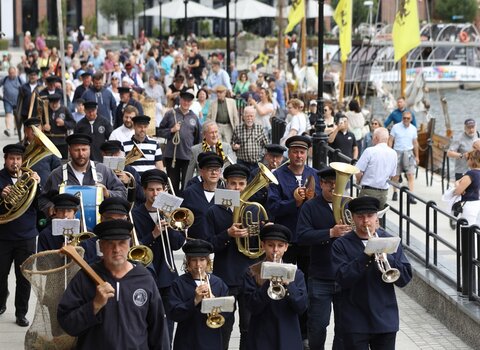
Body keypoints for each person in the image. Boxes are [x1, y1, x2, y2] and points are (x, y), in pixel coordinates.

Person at [57, 220, 171, 350]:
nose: (116, 249)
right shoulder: (84, 278)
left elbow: (159, 331)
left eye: (122, 243)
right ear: (100, 246)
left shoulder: (144, 279)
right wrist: (94, 305)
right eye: (110, 243)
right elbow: (67, 324)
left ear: (130, 244)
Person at [331, 196, 412, 349]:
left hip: (385, 318)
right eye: (360, 217)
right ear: (353, 219)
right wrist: (366, 255)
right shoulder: (341, 244)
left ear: (377, 218)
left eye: (370, 216)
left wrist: (388, 258)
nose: (366, 221)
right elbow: (342, 278)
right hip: (355, 320)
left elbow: (405, 278)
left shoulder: (390, 241)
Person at [204, 164, 260, 350]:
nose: (237, 188)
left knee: (249, 326)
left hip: (249, 274)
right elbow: (208, 244)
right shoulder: (213, 211)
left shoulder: (254, 210)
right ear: (225, 185)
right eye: (233, 184)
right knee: (223, 326)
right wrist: (227, 234)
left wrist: (263, 229)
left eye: (241, 184)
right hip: (225, 275)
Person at [297, 166, 351, 349]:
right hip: (320, 275)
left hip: (345, 275)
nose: (335, 188)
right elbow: (302, 236)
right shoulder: (310, 206)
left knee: (344, 327)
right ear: (321, 184)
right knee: (318, 326)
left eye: (338, 184)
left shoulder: (349, 205)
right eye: (330, 184)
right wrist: (330, 232)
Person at [131, 169, 186, 340]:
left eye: (159, 190)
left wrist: (169, 228)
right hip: (144, 274)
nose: (155, 194)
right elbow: (134, 248)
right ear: (144, 191)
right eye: (151, 190)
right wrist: (153, 234)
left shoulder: (171, 212)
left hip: (167, 276)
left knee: (167, 322)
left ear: (164, 190)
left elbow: (178, 244)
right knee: (144, 320)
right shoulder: (135, 214)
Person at [243, 224, 308, 350]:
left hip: (288, 334)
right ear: (263, 246)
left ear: (286, 247)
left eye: (280, 245)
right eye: (271, 245)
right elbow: (252, 306)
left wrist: (289, 284)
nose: (275, 250)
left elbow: (301, 307)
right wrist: (268, 281)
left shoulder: (296, 273)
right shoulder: (252, 272)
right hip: (261, 335)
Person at [0, 144, 41, 327]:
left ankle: (21, 312)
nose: (15, 162)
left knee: (24, 277)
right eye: (11, 159)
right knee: (0, 275)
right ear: (5, 160)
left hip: (26, 235)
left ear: (22, 161)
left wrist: (37, 186)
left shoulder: (30, 178)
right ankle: (1, 302)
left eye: (18, 159)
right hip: (3, 235)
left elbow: (38, 205)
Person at [39, 133, 127, 216]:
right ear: (69, 151)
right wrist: (50, 208)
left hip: (99, 226)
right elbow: (43, 199)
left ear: (90, 149)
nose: (81, 154)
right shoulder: (57, 174)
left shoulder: (103, 170)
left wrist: (108, 194)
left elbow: (123, 194)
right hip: (66, 226)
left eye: (84, 149)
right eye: (76, 150)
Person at [267, 135, 320, 263]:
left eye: (302, 152)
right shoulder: (277, 175)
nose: (299, 155)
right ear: (289, 154)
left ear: (307, 154)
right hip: (286, 237)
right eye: (295, 152)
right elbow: (273, 207)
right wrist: (294, 202)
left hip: (309, 235)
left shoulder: (316, 174)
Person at [168, 239, 229, 350]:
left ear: (208, 261)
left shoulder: (218, 283)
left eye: (202, 260)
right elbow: (174, 314)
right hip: (187, 341)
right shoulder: (178, 283)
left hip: (212, 341)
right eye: (194, 260)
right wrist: (195, 300)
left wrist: (216, 304)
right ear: (188, 262)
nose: (198, 264)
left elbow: (227, 314)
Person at [157, 90, 201, 195]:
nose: (186, 103)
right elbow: (159, 131)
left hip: (188, 157)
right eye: (184, 100)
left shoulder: (194, 117)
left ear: (191, 102)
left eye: (189, 101)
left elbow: (198, 138)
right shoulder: (170, 114)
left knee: (186, 184)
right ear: (180, 100)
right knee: (172, 184)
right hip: (172, 156)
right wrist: (171, 130)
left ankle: (184, 207)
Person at [182, 152, 224, 238]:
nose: (214, 172)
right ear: (202, 172)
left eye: (217, 169)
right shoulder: (190, 192)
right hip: (196, 245)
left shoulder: (226, 193)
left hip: (221, 245)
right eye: (210, 169)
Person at [355, 127, 397, 209]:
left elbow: (358, 171)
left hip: (368, 191)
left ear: (376, 138)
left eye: (372, 137)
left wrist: (358, 180)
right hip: (383, 193)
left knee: (362, 217)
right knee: (377, 219)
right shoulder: (393, 153)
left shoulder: (369, 151)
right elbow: (392, 175)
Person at [388, 111, 419, 204]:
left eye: (408, 118)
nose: (406, 120)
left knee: (410, 175)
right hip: (397, 152)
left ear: (411, 119)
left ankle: (411, 196)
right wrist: (389, 153)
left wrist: (417, 156)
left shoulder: (413, 129)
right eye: (404, 118)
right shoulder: (396, 127)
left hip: (409, 153)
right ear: (402, 118)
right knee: (395, 175)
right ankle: (395, 192)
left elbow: (415, 143)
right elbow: (390, 141)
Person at [21, 117, 62, 187]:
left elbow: (58, 169)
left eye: (37, 127)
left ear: (42, 129)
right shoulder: (18, 147)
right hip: (24, 189)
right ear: (25, 130)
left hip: (45, 189)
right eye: (31, 128)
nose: (34, 130)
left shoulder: (49, 147)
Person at [231, 106, 269, 173]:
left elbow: (266, 145)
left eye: (251, 116)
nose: (249, 118)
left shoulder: (260, 128)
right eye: (247, 116)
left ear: (254, 117)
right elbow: (232, 143)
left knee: (255, 182)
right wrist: (234, 147)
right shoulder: (237, 129)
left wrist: (261, 154)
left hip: (257, 163)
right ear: (244, 116)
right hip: (242, 162)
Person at [43, 93, 76, 159]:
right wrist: (43, 127)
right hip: (49, 142)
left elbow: (73, 124)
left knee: (63, 161)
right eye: (52, 104)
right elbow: (38, 123)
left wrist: (64, 123)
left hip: (62, 141)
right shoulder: (45, 110)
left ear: (59, 102)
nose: (54, 105)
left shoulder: (64, 109)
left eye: (56, 103)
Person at [453, 150, 480, 226]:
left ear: (472, 159)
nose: (467, 160)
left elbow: (457, 191)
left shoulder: (471, 174)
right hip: (478, 203)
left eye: (468, 158)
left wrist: (457, 183)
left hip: (470, 205)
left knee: (468, 231)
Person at [0, 66, 23, 137]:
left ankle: (16, 129)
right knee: (8, 114)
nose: (12, 74)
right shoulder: (5, 79)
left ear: (15, 72)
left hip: (17, 100)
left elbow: (25, 87)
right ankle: (8, 129)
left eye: (13, 73)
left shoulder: (19, 79)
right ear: (8, 73)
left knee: (17, 115)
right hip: (7, 100)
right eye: (10, 73)